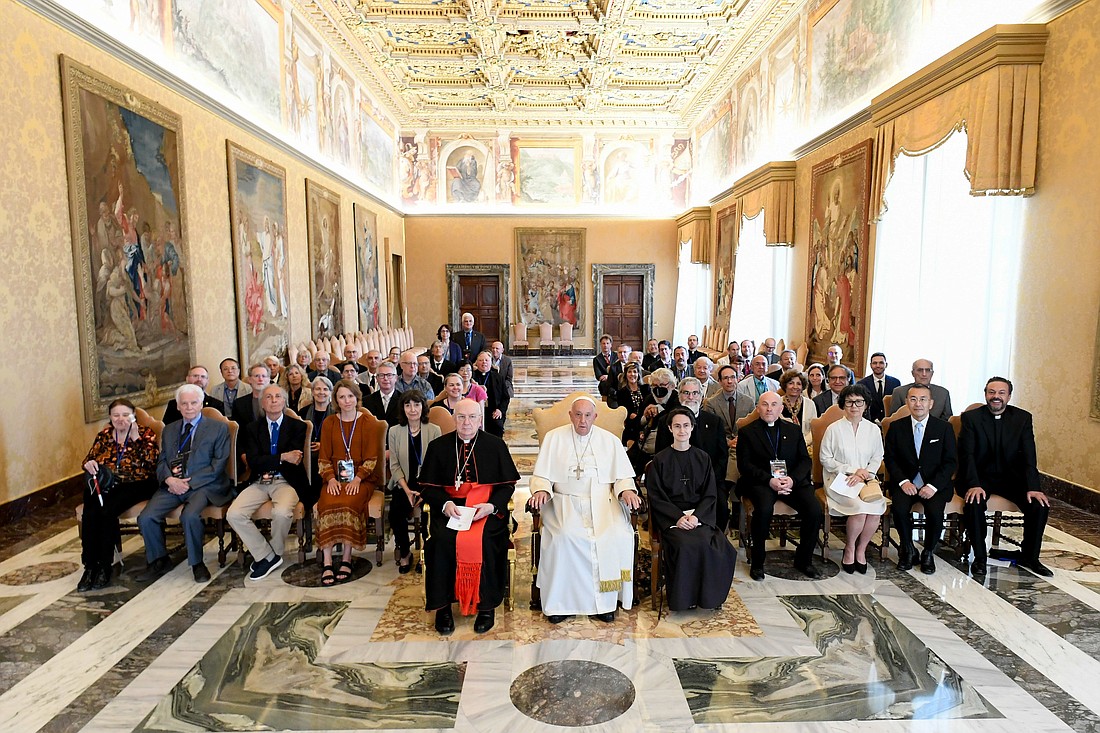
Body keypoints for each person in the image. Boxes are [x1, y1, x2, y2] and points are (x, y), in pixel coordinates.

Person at [529, 396, 640, 623]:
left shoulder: (609, 441)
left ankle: (605, 603)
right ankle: (560, 604)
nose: (582, 420)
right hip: (564, 503)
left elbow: (622, 476)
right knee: (564, 538)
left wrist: (627, 490)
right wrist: (541, 490)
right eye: (578, 415)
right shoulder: (553, 438)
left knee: (616, 534)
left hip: (603, 503)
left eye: (587, 415)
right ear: (570, 415)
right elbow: (541, 475)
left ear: (595, 417)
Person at [419, 399, 519, 634]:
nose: (466, 422)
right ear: (454, 418)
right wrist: (444, 504)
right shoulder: (438, 446)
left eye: (472, 417)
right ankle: (443, 607)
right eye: (461, 417)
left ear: (480, 419)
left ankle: (486, 606)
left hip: (484, 510)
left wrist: (492, 506)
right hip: (451, 510)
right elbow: (428, 487)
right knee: (442, 541)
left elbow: (507, 486)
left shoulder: (495, 446)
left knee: (487, 541)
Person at [958, 377, 1051, 579]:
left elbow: (1029, 455)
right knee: (974, 504)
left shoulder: (1022, 418)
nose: (996, 397)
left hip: (1012, 479)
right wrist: (973, 484)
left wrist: (1033, 486)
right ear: (985, 394)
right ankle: (980, 557)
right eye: (992, 392)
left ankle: (1030, 557)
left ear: (1009, 396)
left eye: (1001, 393)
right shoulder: (971, 418)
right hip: (980, 477)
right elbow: (967, 455)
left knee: (1039, 506)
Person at [137, 384, 230, 583]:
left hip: (204, 484)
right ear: (178, 406)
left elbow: (218, 464)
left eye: (193, 403)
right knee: (146, 517)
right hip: (172, 484)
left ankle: (197, 564)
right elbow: (162, 461)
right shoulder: (169, 429)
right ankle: (159, 560)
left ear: (201, 403)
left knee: (189, 515)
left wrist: (188, 482)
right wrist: (169, 479)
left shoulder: (218, 428)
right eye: (184, 403)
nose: (189, 407)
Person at [647, 408, 737, 610]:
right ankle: (684, 600)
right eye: (677, 426)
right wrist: (677, 517)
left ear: (692, 428)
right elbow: (657, 496)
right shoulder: (660, 460)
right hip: (672, 519)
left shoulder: (703, 458)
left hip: (698, 516)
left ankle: (708, 598)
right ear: (670, 428)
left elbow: (710, 494)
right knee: (687, 546)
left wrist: (697, 517)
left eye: (686, 425)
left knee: (719, 546)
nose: (682, 430)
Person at [736, 391, 823, 580]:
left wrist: (792, 479)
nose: (769, 409)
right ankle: (758, 562)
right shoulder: (747, 432)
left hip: (792, 481)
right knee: (764, 509)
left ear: (781, 408)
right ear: (758, 408)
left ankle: (804, 560)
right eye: (765, 405)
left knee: (814, 509)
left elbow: (804, 461)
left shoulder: (793, 430)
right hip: (761, 482)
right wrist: (769, 480)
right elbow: (745, 465)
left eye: (774, 405)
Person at [227, 385, 309, 581]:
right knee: (234, 514)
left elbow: (295, 458)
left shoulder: (298, 426)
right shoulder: (252, 428)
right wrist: (282, 456)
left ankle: (275, 552)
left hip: (286, 481)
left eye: (278, 396)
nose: (273, 400)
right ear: (262, 403)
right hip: (259, 481)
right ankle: (267, 555)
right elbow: (253, 461)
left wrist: (272, 458)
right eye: (269, 397)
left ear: (284, 401)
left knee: (281, 513)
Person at [78, 398, 159, 591]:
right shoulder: (104, 435)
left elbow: (151, 463)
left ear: (133, 416)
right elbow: (88, 459)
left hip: (137, 483)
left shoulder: (145, 434)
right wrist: (89, 464)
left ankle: (105, 566)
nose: (120, 419)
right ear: (110, 418)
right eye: (116, 415)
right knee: (90, 511)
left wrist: (135, 438)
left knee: (107, 512)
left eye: (125, 415)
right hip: (108, 483)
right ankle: (90, 566)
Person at [316, 379, 385, 585]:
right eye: (341, 397)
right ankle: (328, 561)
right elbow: (323, 457)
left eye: (350, 396)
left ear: (357, 397)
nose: (347, 401)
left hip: (362, 478)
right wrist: (329, 478)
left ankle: (346, 557)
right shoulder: (329, 423)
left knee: (349, 502)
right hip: (335, 478)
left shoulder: (368, 422)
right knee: (326, 503)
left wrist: (357, 478)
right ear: (335, 400)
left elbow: (373, 458)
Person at [884, 384, 957, 574]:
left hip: (934, 484)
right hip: (905, 483)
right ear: (907, 402)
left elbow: (950, 462)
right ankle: (908, 549)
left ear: (931, 403)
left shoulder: (944, 428)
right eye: (913, 399)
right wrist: (903, 482)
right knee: (899, 510)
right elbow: (890, 459)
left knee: (935, 512)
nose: (918, 404)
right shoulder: (896, 427)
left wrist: (933, 486)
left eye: (923, 399)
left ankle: (928, 552)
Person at [819, 384, 886, 574]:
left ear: (865, 405)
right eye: (849, 402)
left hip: (865, 480)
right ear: (843, 404)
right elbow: (825, 458)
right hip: (839, 479)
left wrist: (865, 473)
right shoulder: (834, 429)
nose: (854, 406)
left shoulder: (873, 429)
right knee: (859, 509)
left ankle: (861, 550)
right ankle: (849, 548)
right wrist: (853, 470)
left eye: (859, 402)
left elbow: (877, 457)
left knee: (875, 509)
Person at [656, 377, 730, 531]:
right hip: (676, 484)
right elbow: (661, 455)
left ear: (702, 396)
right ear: (679, 395)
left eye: (695, 393)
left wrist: (708, 481)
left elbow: (722, 457)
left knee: (721, 506)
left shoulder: (715, 421)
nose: (691, 397)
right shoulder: (666, 421)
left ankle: (714, 541)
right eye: (686, 393)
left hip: (711, 481)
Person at [388, 390, 441, 574]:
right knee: (395, 512)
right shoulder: (394, 431)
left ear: (423, 407)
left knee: (430, 513)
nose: (412, 409)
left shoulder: (434, 430)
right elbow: (394, 466)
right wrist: (407, 490)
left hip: (428, 485)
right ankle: (405, 552)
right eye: (408, 405)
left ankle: (426, 554)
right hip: (404, 484)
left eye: (416, 404)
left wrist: (424, 491)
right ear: (403, 408)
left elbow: (437, 466)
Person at [299, 376, 333, 513]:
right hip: (307, 456)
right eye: (318, 389)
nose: (321, 392)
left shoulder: (337, 413)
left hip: (330, 456)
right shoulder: (302, 413)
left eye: (325, 389)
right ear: (312, 392)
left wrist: (322, 445)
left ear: (331, 392)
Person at [888, 359, 954, 421]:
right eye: (920, 370)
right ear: (912, 373)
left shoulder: (943, 393)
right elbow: (893, 420)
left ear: (932, 373)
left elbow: (947, 420)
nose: (924, 374)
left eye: (928, 370)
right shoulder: (899, 392)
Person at [471, 350, 509, 437]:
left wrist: (500, 410)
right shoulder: (472, 377)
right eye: (481, 360)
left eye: (486, 360)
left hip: (493, 411)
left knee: (497, 426)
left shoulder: (498, 377)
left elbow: (505, 397)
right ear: (477, 363)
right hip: (476, 411)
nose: (484, 362)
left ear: (491, 362)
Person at [857, 352, 901, 423]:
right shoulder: (862, 384)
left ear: (886, 365)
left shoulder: (895, 383)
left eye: (881, 363)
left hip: (891, 423)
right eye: (875, 363)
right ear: (871, 365)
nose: (878, 365)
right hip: (869, 422)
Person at [616, 362, 651, 448]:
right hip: (631, 425)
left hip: (647, 421)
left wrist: (643, 417)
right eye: (629, 372)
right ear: (625, 374)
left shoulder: (646, 389)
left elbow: (649, 405)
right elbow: (627, 413)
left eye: (635, 372)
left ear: (638, 374)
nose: (632, 374)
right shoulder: (621, 392)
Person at [779, 369, 817, 447]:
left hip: (805, 445)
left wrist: (802, 443)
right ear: (785, 385)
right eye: (791, 383)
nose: (795, 387)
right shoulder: (777, 403)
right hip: (781, 445)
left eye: (799, 384)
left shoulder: (810, 404)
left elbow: (813, 429)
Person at [363, 361, 402, 425]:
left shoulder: (404, 400)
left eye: (389, 375)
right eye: (381, 375)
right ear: (377, 378)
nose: (385, 378)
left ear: (396, 378)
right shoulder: (366, 402)